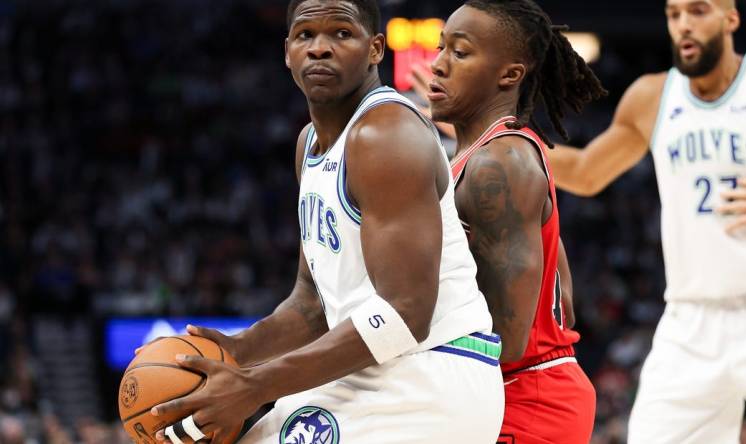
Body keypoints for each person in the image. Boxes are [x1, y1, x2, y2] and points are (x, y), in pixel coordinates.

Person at [147, 1, 504, 443]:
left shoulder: (385, 133)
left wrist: (255, 384)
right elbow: (312, 306)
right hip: (368, 368)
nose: (320, 48)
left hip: (431, 373)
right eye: (305, 36)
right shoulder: (310, 144)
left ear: (375, 49)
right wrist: (236, 352)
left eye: (340, 33)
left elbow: (404, 316)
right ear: (287, 52)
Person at [520, 0, 746, 442]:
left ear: (731, 18)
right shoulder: (653, 97)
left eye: (698, 11)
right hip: (690, 320)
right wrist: (500, 134)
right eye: (674, 13)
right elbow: (587, 172)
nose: (684, 24)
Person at [422, 1, 606, 442]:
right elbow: (561, 287)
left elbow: (509, 337)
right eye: (441, 47)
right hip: (511, 391)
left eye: (460, 53)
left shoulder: (499, 163)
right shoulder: (485, 156)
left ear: (509, 75)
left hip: (524, 397)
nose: (438, 64)